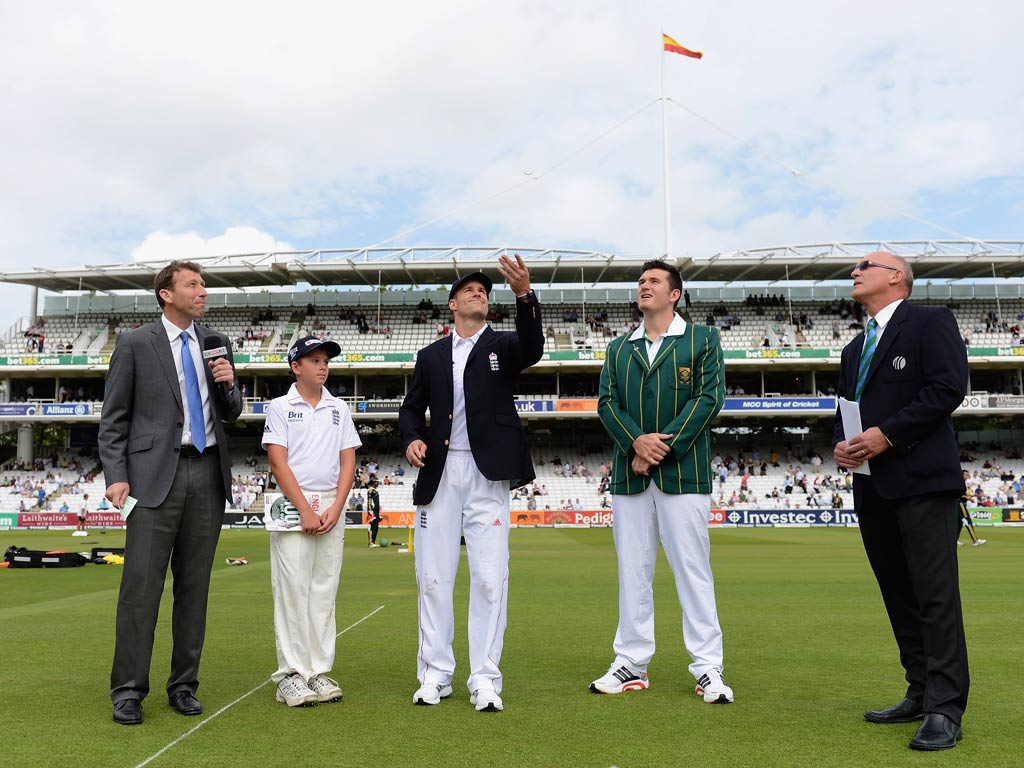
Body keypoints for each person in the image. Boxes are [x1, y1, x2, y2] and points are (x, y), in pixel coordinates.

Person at [833, 251, 969, 751]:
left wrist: (886, 435)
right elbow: (846, 409)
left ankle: (945, 708)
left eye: (864, 265)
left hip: (924, 483)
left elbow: (947, 388)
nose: (854, 272)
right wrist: (841, 444)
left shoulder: (930, 321)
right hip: (872, 486)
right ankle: (919, 689)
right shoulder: (854, 348)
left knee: (935, 598)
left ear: (896, 277)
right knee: (899, 595)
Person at [99, 260, 242, 726]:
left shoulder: (217, 343)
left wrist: (228, 385)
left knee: (194, 589)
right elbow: (114, 418)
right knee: (139, 590)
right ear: (166, 293)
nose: (203, 292)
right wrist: (116, 475)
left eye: (204, 285)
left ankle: (184, 685)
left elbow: (233, 412)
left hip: (207, 476)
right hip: (152, 477)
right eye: (193, 285)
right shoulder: (136, 343)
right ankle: (128, 691)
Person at [398, 254, 543, 713]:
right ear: (452, 305)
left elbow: (535, 347)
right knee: (434, 578)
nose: (479, 292)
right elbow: (409, 408)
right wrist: (412, 439)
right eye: (470, 290)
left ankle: (483, 677)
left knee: (487, 579)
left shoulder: (503, 344)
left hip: (488, 474)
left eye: (485, 290)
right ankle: (435, 675)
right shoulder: (431, 356)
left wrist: (524, 294)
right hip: (440, 473)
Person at [592, 259, 732, 704]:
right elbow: (607, 404)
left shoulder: (703, 339)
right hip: (629, 477)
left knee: (692, 569)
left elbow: (710, 398)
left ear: (674, 294)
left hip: (683, 473)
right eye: (640, 282)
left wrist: (658, 448)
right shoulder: (618, 348)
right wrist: (636, 442)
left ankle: (708, 668)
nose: (643, 286)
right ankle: (631, 663)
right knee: (633, 569)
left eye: (653, 281)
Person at [261, 336, 360, 707]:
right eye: (314, 360)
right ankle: (291, 674)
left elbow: (348, 460)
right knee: (292, 591)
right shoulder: (280, 406)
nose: (323, 366)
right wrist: (303, 507)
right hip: (292, 507)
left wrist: (337, 506)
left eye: (325, 360)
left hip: (331, 506)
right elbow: (278, 462)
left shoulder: (339, 408)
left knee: (323, 591)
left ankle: (317, 670)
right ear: (295, 367)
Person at [366, 478, 381, 547]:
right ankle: (370, 542)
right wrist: (370, 511)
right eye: (376, 482)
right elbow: (369, 501)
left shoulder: (374, 490)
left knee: (376, 527)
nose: (377, 483)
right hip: (372, 511)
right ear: (372, 482)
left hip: (376, 511)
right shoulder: (370, 490)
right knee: (372, 526)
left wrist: (378, 513)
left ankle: (373, 542)